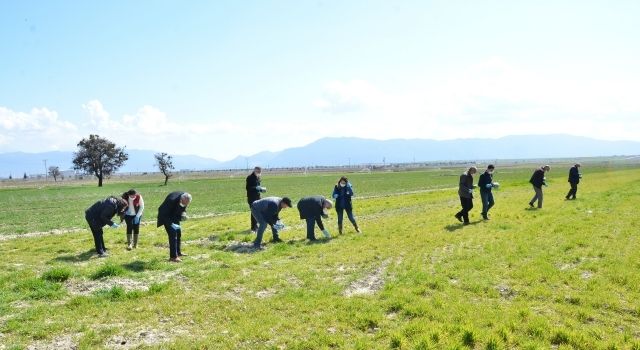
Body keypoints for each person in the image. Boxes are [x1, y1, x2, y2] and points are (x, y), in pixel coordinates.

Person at [157, 191, 192, 262]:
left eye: (187, 204)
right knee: (173, 234)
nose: (185, 205)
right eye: (184, 203)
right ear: (181, 199)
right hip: (165, 216)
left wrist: (183, 214)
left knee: (178, 233)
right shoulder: (171, 200)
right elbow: (162, 212)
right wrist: (171, 224)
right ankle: (173, 257)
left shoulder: (185, 197)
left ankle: (178, 253)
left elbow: (183, 207)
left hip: (174, 215)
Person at [246, 167, 267, 233]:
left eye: (260, 172)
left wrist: (261, 189)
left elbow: (258, 186)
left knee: (259, 211)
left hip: (258, 197)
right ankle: (253, 227)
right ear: (255, 171)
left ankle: (257, 226)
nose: (259, 173)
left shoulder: (258, 177)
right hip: (251, 197)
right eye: (258, 171)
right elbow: (248, 188)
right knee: (253, 212)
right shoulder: (250, 177)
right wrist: (256, 188)